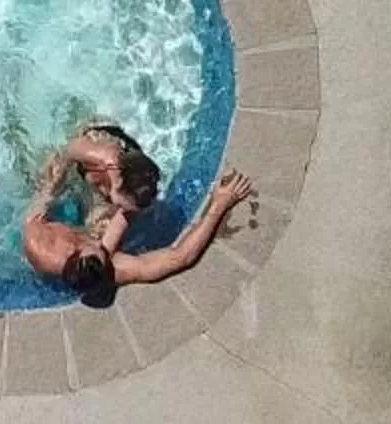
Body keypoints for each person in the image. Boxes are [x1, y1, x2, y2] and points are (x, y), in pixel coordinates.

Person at [22, 122, 253, 297]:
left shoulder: (40, 242)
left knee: (51, 175)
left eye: (102, 250)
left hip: (98, 160)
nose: (106, 247)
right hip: (95, 176)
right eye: (106, 253)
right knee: (47, 177)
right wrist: (219, 205)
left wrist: (54, 184)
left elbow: (180, 258)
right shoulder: (54, 251)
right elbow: (180, 257)